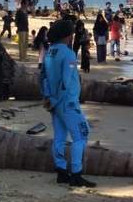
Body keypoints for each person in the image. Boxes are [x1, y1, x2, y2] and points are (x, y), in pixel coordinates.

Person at [41, 19, 95, 188]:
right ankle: (76, 173)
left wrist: (48, 97)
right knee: (82, 135)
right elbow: (65, 81)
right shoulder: (68, 54)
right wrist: (56, 99)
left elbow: (42, 77)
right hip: (67, 103)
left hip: (54, 103)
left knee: (60, 137)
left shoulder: (50, 51)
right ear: (68, 35)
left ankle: (61, 171)